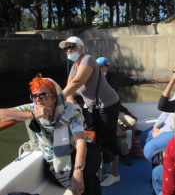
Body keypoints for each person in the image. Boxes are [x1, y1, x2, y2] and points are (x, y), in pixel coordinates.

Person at [0, 74, 101, 195]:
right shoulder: (32, 109)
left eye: (43, 95)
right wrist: (33, 115)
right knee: (85, 183)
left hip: (83, 151)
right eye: (34, 96)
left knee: (84, 176)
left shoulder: (71, 110)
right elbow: (2, 114)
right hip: (54, 160)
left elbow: (80, 142)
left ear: (54, 97)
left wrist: (78, 169)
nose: (38, 99)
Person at [59, 36, 120, 187]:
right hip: (92, 108)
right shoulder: (75, 66)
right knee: (95, 137)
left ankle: (115, 174)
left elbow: (78, 82)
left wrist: (56, 100)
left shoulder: (87, 59)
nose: (68, 51)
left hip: (107, 105)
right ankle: (100, 167)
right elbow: (69, 87)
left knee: (109, 138)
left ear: (81, 47)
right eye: (66, 48)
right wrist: (69, 99)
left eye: (72, 46)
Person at [96, 57, 158, 166]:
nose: (98, 69)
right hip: (101, 113)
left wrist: (148, 80)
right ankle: (126, 153)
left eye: (100, 67)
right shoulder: (93, 80)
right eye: (96, 67)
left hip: (115, 110)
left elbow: (131, 80)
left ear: (107, 67)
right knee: (115, 128)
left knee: (132, 122)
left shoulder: (113, 78)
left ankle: (125, 141)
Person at [140, 58, 175, 163]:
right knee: (144, 137)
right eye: (174, 74)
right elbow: (164, 107)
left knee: (149, 149)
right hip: (168, 126)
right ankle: (157, 171)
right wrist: (157, 125)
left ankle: (161, 171)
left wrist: (161, 131)